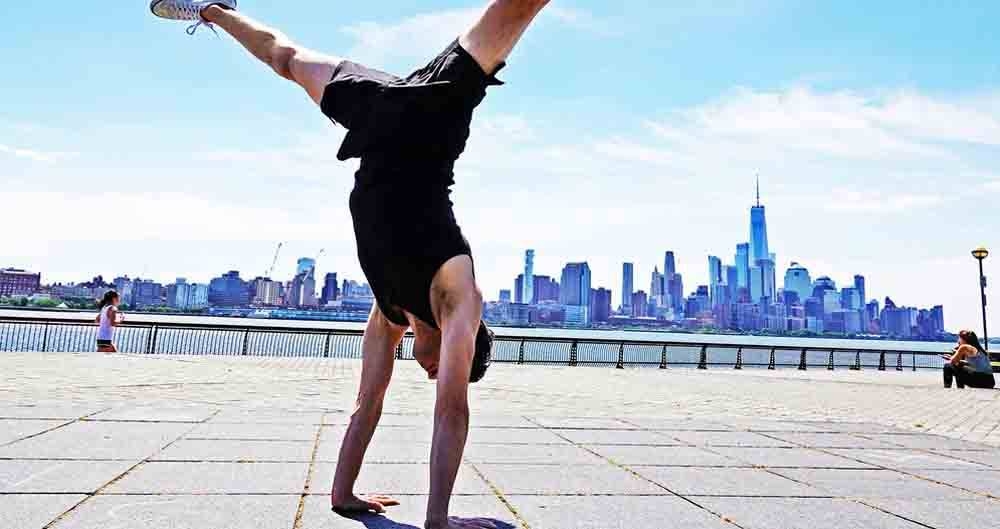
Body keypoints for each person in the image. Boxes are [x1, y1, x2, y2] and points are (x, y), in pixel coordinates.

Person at [150, 1, 543, 527]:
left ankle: (212, 8)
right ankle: (210, 7)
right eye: (440, 368)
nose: (429, 372)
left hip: (380, 118)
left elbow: (367, 403)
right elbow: (452, 410)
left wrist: (344, 494)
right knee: (519, 9)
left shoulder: (389, 315)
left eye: (433, 372)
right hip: (432, 118)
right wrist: (440, 522)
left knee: (285, 61)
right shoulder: (459, 302)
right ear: (464, 347)